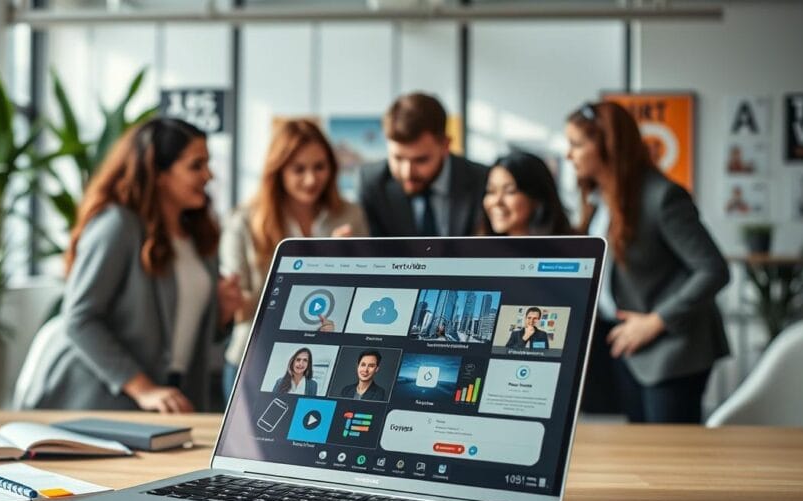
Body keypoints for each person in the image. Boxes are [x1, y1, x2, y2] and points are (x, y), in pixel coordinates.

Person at [28, 118, 242, 413]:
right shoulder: (118, 225)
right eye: (196, 165)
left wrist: (221, 314)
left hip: (172, 398)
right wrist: (144, 389)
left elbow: (187, 330)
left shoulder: (199, 235)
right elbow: (79, 319)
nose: (208, 175)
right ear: (158, 172)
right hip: (101, 400)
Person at [566, 101, 730, 423]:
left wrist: (655, 321)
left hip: (672, 348)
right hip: (628, 344)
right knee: (639, 449)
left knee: (670, 457)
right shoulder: (600, 200)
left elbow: (713, 269)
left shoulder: (663, 197)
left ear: (606, 145)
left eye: (576, 144)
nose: (568, 154)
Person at [220, 119, 368, 399]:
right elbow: (239, 310)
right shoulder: (243, 222)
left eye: (319, 167)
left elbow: (359, 295)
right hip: (253, 360)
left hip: (324, 359)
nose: (311, 179)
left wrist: (350, 264)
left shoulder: (350, 216)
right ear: (278, 171)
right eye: (298, 169)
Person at [359, 92, 488, 237]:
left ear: (445, 145)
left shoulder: (482, 180)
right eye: (398, 158)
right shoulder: (373, 183)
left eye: (421, 160)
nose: (407, 172)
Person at [476, 150, 574, 236]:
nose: (497, 201)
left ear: (537, 198)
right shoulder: (476, 252)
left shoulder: (568, 252)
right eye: (491, 191)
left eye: (509, 191)